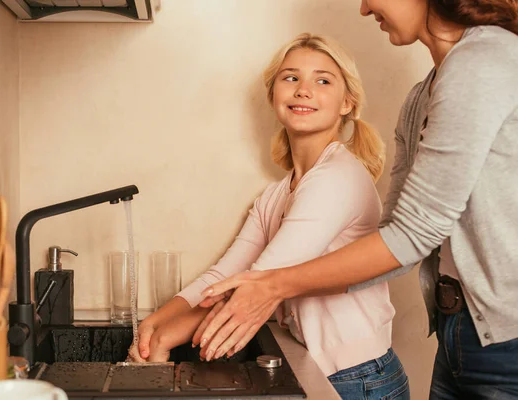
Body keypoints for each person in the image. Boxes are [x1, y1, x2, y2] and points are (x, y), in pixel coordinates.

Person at [195, 1, 518, 399]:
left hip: (507, 340)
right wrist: (271, 289)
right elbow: (397, 238)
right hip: (458, 333)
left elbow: (413, 234)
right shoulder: (422, 95)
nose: (364, 8)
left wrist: (275, 286)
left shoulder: (483, 61)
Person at [128, 33, 410, 399]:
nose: (303, 90)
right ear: (273, 95)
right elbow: (224, 274)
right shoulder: (278, 193)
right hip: (328, 370)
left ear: (347, 103)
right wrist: (155, 322)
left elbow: (257, 286)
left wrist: (166, 336)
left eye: (322, 80)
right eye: (290, 78)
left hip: (360, 379)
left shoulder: (337, 177)